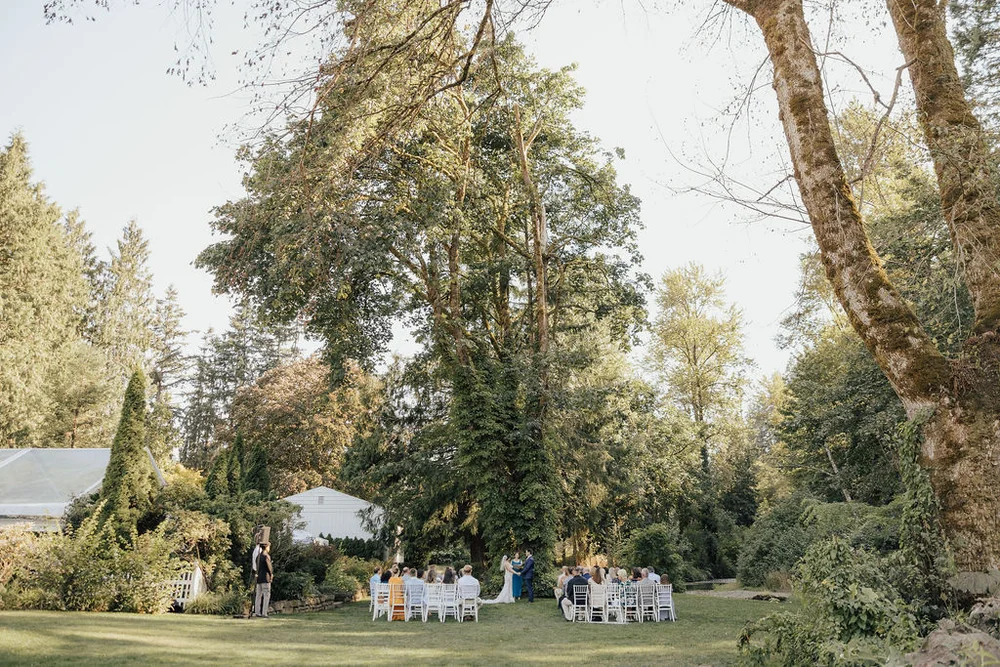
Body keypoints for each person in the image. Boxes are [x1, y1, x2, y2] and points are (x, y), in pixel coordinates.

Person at [254, 542, 273, 618]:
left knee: (258, 595)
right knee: (266, 595)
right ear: (266, 547)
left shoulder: (258, 556)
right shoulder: (266, 556)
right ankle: (264, 612)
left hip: (259, 578)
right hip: (266, 578)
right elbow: (269, 568)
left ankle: (257, 612)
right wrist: (271, 575)